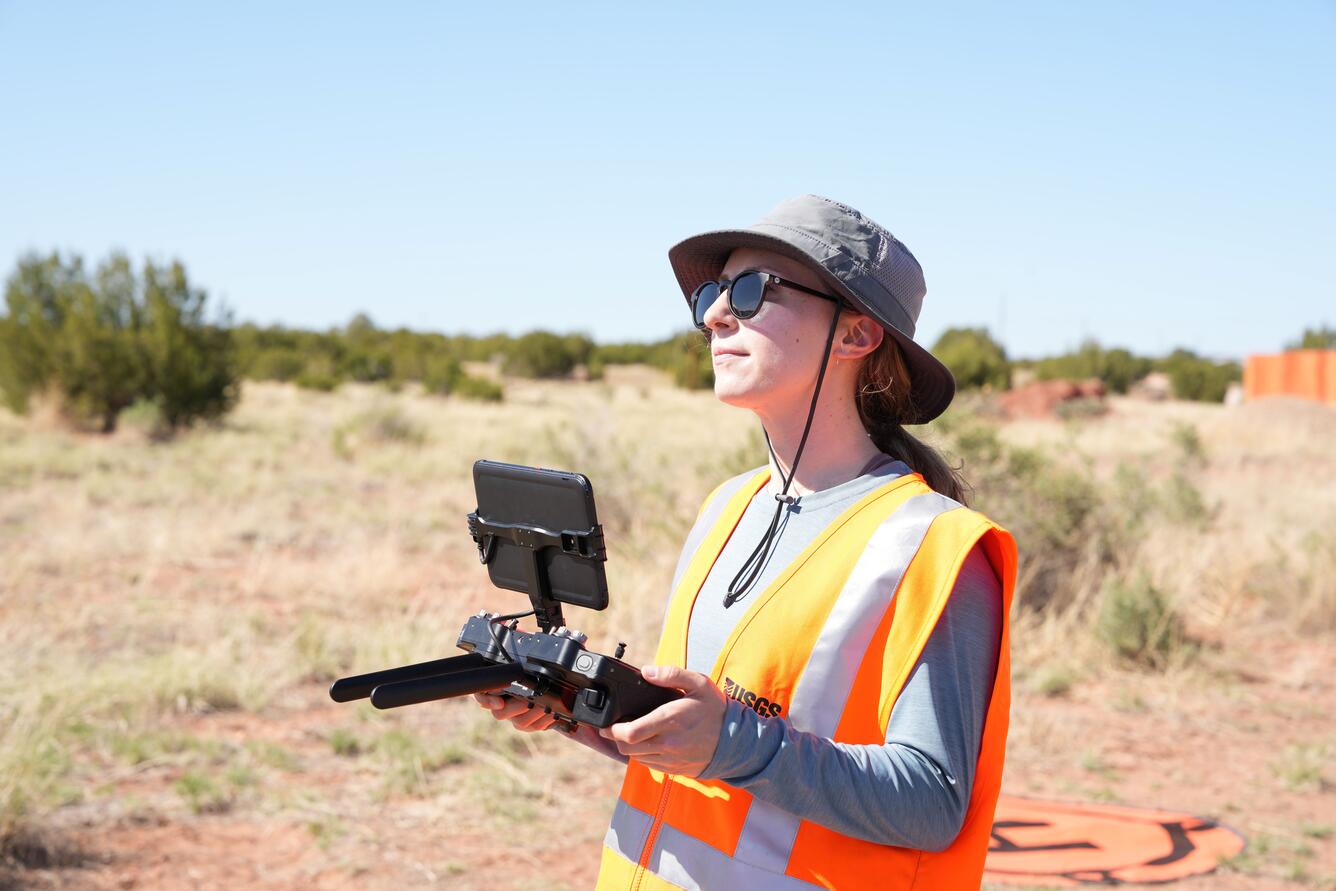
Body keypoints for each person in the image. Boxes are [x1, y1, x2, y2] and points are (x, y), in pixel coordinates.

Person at [476, 195, 1018, 891]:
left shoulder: (935, 545)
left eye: (754, 290)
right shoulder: (729, 505)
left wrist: (730, 740)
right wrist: (585, 708)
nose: (714, 315)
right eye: (712, 292)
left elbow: (933, 802)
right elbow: (705, 752)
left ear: (856, 335)